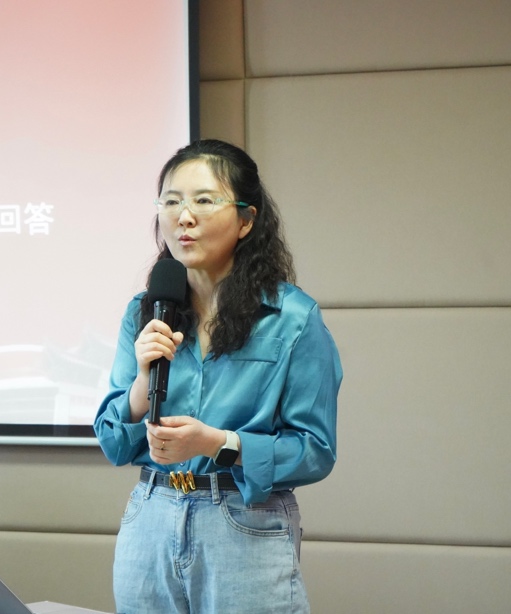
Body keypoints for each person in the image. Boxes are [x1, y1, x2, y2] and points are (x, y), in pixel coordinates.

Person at [94, 139, 342, 613]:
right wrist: (143, 381)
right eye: (171, 202)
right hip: (151, 513)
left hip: (243, 520)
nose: (183, 217)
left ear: (246, 220)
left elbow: (315, 451)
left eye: (203, 201)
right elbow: (113, 441)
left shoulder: (292, 318)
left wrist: (215, 443)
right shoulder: (145, 311)